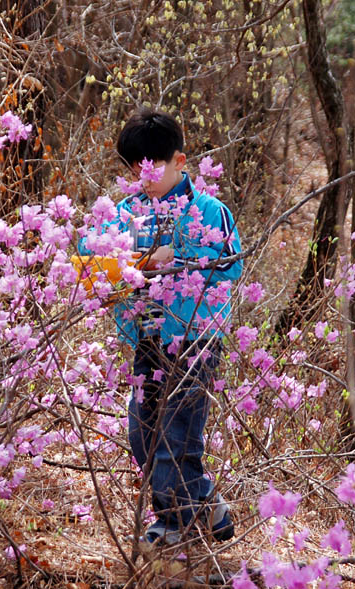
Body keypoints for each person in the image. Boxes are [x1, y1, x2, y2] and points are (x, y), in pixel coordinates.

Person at [78, 110, 243, 547]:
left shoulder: (210, 211)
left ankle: (173, 523)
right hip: (147, 337)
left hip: (194, 339)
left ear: (180, 161)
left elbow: (230, 267)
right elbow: (91, 253)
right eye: (136, 168)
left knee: (177, 433)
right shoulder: (124, 213)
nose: (145, 176)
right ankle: (207, 505)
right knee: (141, 429)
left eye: (154, 166)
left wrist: (177, 261)